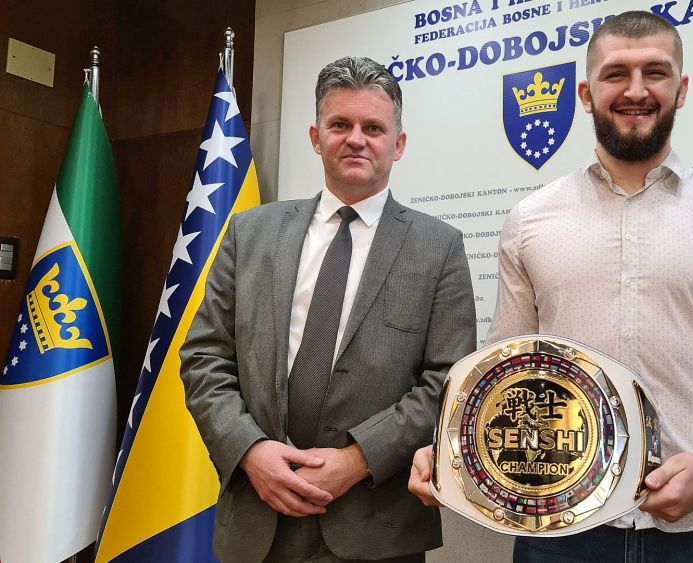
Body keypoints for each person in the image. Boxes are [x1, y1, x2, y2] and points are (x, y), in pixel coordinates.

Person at [408, 11, 693, 562]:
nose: (636, 91)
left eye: (656, 72)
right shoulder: (529, 221)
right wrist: (450, 447)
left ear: (681, 89)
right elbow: (505, 367)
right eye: (616, 73)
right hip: (561, 534)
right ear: (586, 93)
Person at [181, 56, 476, 563]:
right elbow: (204, 357)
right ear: (316, 138)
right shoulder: (250, 233)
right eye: (340, 125)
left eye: (373, 128)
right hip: (257, 518)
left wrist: (358, 460)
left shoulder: (439, 247)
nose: (356, 139)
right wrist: (250, 451)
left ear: (398, 144)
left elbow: (448, 382)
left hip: (376, 524)